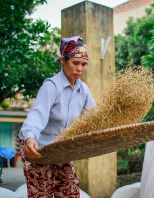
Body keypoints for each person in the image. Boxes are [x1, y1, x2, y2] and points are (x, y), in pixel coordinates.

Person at [18, 36, 96, 198]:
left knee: (70, 192)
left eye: (84, 64)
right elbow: (36, 116)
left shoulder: (84, 90)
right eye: (75, 63)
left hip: (60, 148)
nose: (80, 68)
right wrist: (30, 139)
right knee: (42, 193)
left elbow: (94, 116)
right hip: (37, 148)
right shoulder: (51, 86)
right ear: (63, 61)